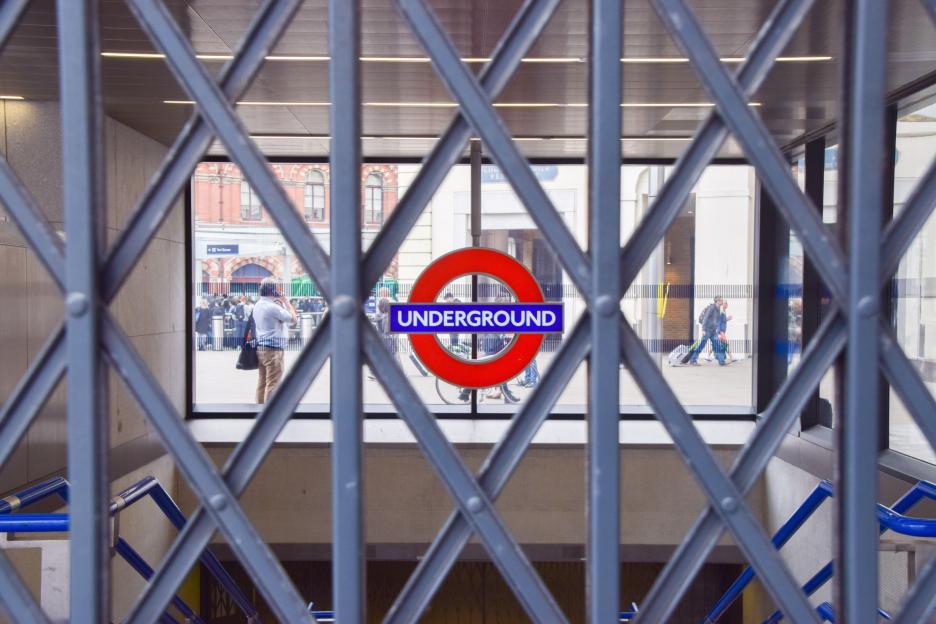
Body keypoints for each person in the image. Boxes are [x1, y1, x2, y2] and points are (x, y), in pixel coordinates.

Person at [253, 277, 297, 403]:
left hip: (261, 348)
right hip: (273, 351)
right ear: (273, 291)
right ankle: (268, 413)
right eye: (278, 288)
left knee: (262, 382)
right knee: (273, 384)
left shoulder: (259, 304)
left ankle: (259, 408)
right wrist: (287, 302)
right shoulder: (272, 307)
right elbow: (293, 320)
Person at [688, 295, 726, 366]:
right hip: (707, 330)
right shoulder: (711, 308)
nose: (722, 301)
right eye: (721, 300)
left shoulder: (718, 309)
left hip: (713, 331)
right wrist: (703, 329)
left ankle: (722, 361)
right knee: (701, 345)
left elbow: (716, 320)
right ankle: (693, 360)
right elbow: (705, 318)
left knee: (717, 345)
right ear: (717, 301)